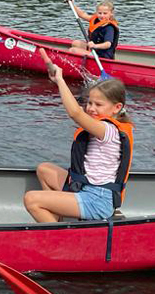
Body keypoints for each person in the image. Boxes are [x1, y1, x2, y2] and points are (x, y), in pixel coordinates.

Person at [24, 62, 133, 222]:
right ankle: (55, 221)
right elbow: (77, 111)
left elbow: (75, 113)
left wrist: (60, 80)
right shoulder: (99, 124)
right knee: (44, 170)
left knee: (31, 200)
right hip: (84, 187)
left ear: (116, 108)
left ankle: (60, 239)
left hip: (97, 199)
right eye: (89, 103)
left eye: (98, 105)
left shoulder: (108, 130)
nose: (91, 108)